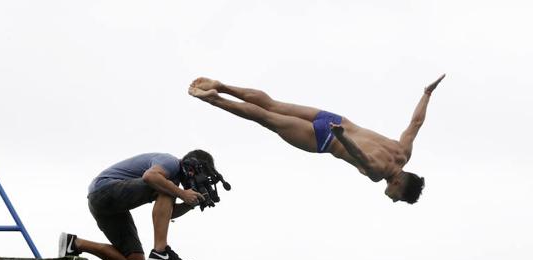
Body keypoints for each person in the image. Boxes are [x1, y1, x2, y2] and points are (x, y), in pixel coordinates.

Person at [188, 74, 445, 203]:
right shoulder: (380, 173)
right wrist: (341, 138)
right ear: (399, 182)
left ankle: (222, 86)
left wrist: (426, 95)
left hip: (336, 119)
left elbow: (416, 124)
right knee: (266, 119)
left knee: (272, 105)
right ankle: (215, 98)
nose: (392, 199)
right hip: (326, 138)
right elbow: (360, 155)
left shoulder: (403, 151)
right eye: (397, 197)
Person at [58, 151, 214, 260]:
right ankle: (160, 251)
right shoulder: (171, 162)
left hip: (105, 204)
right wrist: (181, 193)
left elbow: (167, 214)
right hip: (104, 190)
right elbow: (150, 177)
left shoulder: (173, 185)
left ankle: (76, 243)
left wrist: (189, 204)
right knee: (168, 185)